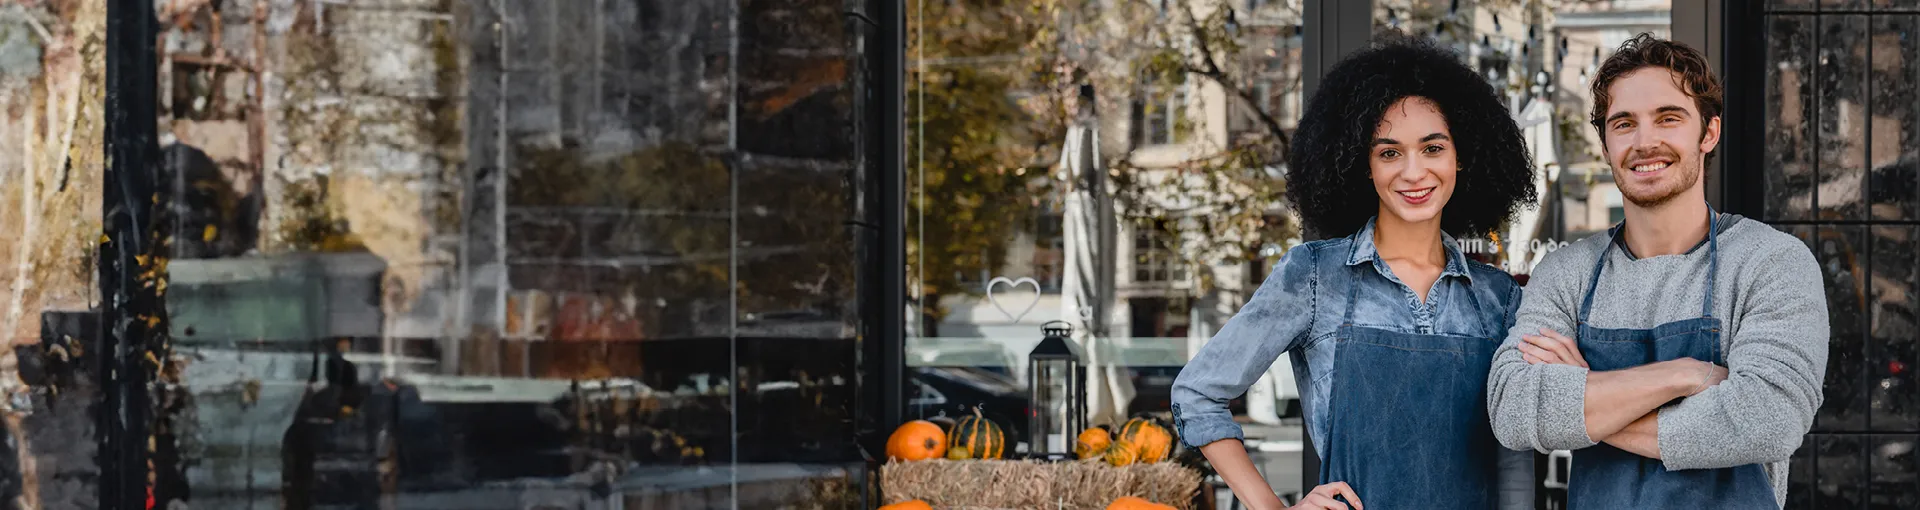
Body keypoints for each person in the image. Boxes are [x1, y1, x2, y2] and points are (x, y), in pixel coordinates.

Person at [1171, 34, 1539, 510]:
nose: (1413, 172)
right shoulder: (1316, 276)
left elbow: (1512, 460)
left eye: (1432, 148)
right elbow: (1198, 394)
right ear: (1363, 165)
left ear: (1460, 156)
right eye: (1389, 152)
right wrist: (1272, 507)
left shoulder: (1498, 298)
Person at [1486, 33, 1827, 508]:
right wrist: (1686, 374)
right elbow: (1514, 408)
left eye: (1668, 118)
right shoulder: (1567, 273)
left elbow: (1769, 416)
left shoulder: (1770, 262)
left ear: (1708, 133)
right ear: (1605, 143)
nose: (1645, 142)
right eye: (1624, 123)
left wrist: (1586, 401)